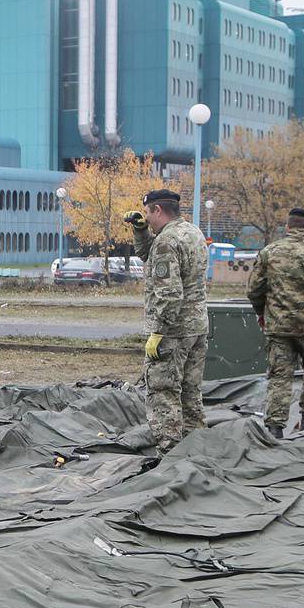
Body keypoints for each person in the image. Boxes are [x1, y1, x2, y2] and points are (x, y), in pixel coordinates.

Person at [247, 209, 304, 434]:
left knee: (280, 377)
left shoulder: (269, 252)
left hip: (278, 327)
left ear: (287, 227)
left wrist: (262, 313)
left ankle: (275, 429)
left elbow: (254, 290)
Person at [139, 189, 209, 453]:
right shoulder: (194, 233)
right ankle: (197, 450)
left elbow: (169, 294)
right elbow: (150, 255)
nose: (146, 219)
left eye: (147, 213)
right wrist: (140, 233)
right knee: (191, 393)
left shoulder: (166, 241)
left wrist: (157, 332)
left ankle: (169, 456)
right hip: (197, 328)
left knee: (163, 392)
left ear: (158, 210)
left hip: (173, 331)